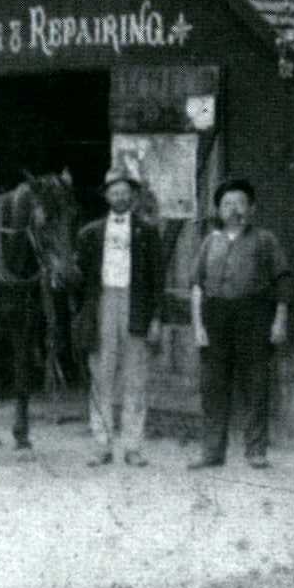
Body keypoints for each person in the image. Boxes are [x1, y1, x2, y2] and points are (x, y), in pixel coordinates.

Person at [188, 178, 291, 470]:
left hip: (254, 316)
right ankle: (211, 452)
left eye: (240, 204)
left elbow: (283, 282)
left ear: (252, 209)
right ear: (219, 211)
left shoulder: (265, 240)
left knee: (256, 384)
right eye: (227, 204)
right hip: (215, 317)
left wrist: (279, 321)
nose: (234, 210)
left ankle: (255, 451)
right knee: (212, 387)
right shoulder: (210, 241)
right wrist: (198, 326)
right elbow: (196, 286)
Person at [74, 163, 166, 467]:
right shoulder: (89, 234)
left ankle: (133, 446)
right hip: (103, 303)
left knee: (135, 378)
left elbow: (157, 280)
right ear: (107, 196)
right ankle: (101, 444)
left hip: (135, 304)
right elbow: (79, 279)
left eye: (126, 192)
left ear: (133, 197)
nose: (121, 197)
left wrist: (155, 318)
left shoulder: (148, 232)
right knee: (101, 376)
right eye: (115, 192)